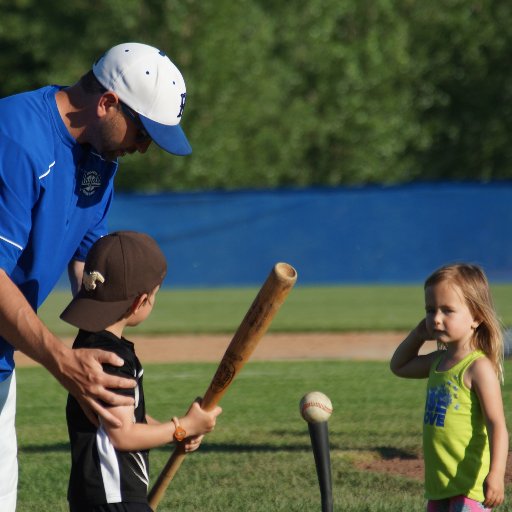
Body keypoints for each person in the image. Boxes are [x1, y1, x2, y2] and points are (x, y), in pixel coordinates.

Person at [0, 42, 192, 510]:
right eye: (144, 131)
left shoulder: (100, 158)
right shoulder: (15, 139)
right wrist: (63, 362)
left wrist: (108, 346)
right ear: (107, 102)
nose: (144, 147)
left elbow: (94, 269)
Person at [60, 230, 222, 511]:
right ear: (139, 302)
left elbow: (125, 413)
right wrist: (182, 427)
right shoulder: (113, 357)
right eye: (155, 295)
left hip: (95, 497)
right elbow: (123, 434)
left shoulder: (88, 343)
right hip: (116, 497)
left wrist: (175, 432)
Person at [390, 263, 508, 511]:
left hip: (469, 486)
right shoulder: (437, 361)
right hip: (440, 485)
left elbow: (497, 425)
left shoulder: (477, 368)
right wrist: (417, 335)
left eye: (447, 310)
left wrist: (496, 475)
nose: (436, 319)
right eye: (430, 310)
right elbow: (399, 366)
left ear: (476, 317)